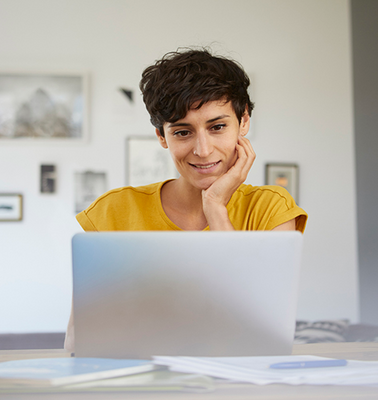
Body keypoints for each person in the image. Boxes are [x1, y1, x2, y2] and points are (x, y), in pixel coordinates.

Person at [64, 48, 308, 351]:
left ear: (243, 121)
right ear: (162, 136)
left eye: (217, 127)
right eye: (182, 132)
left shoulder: (270, 208)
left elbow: (263, 330)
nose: (203, 150)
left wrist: (216, 209)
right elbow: (78, 338)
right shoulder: (114, 211)